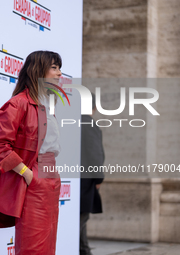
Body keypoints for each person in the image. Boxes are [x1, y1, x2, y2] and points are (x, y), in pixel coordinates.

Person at [0, 51, 62, 255]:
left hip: (51, 176)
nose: (59, 73)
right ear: (38, 70)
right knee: (32, 247)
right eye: (54, 67)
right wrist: (27, 173)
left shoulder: (47, 105)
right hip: (34, 177)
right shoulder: (18, 103)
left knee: (48, 246)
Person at [80, 94, 105, 255]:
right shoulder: (89, 125)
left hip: (76, 181)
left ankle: (84, 251)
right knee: (81, 220)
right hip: (86, 181)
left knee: (80, 220)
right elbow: (95, 155)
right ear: (94, 107)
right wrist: (99, 178)